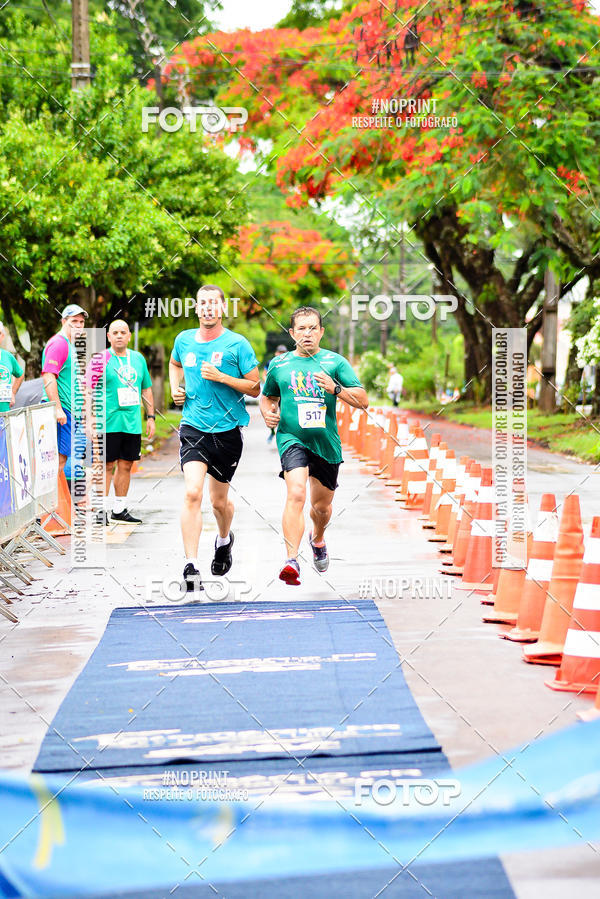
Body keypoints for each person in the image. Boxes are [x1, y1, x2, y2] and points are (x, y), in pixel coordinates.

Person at [260, 306, 368, 585]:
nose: (307, 334)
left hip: (325, 443)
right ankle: (291, 560)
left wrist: (336, 388)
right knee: (296, 493)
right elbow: (267, 396)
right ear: (292, 332)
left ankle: (317, 538)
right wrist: (267, 411)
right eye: (301, 329)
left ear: (321, 332)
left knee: (322, 508)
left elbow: (362, 400)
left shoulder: (335, 362)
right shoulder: (279, 365)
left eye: (312, 328)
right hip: (292, 438)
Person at [169, 285, 260, 591]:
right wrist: (174, 388)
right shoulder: (183, 340)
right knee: (193, 493)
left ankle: (223, 540)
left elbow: (255, 387)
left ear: (222, 308)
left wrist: (222, 377)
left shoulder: (238, 344)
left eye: (213, 303)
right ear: (196, 308)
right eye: (202, 303)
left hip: (228, 433)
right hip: (194, 427)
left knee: (219, 502)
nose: (208, 308)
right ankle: (191, 566)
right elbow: (174, 363)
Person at [86, 320, 155, 525]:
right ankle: (100, 511)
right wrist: (89, 418)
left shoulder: (138, 359)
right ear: (108, 336)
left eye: (123, 332)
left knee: (126, 464)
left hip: (131, 422)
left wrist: (150, 417)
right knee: (107, 465)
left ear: (129, 336)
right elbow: (87, 390)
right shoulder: (101, 359)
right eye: (114, 332)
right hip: (107, 421)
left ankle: (119, 508)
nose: (119, 335)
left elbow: (146, 389)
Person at [41, 305, 88, 474]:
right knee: (58, 460)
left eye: (81, 322)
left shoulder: (71, 345)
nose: (78, 325)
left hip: (70, 411)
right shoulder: (59, 343)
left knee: (61, 459)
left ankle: (60, 500)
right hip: (63, 411)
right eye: (73, 321)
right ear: (63, 321)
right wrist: (58, 408)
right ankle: (53, 501)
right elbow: (48, 376)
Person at [265, 344, 288, 443]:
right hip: (273, 392)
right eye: (280, 352)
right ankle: (272, 431)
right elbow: (265, 373)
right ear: (276, 353)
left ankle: (284, 434)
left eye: (284, 352)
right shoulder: (271, 362)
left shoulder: (289, 362)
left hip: (284, 392)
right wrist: (268, 382)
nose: (281, 354)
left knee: (284, 412)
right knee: (271, 412)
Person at [0, 323, 24, 412]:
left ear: (2, 336)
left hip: (5, 414)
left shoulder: (8, 356)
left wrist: (13, 393)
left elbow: (20, 375)